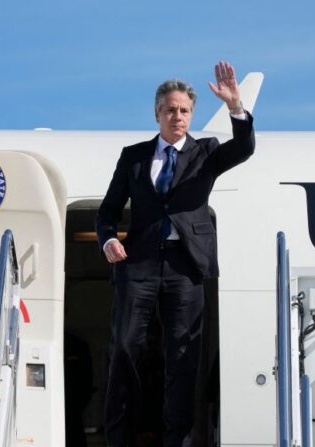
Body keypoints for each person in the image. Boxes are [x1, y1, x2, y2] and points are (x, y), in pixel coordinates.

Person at [96, 61, 255, 447]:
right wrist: (107, 239)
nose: (177, 116)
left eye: (184, 110)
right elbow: (108, 211)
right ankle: (119, 438)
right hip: (140, 264)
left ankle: (179, 441)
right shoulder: (134, 157)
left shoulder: (206, 153)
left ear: (191, 115)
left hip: (187, 267)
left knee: (183, 358)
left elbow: (245, 148)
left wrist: (236, 108)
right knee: (123, 349)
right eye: (170, 110)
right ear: (157, 114)